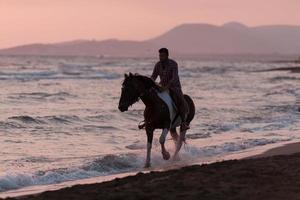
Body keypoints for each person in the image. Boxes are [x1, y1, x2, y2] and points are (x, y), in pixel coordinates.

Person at [151, 48, 189, 131]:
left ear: (167, 56)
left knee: (180, 100)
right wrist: (150, 83)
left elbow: (174, 78)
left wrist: (166, 87)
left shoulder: (173, 64)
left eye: (163, 56)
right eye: (160, 56)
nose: (161, 57)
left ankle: (183, 122)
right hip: (161, 86)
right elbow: (153, 76)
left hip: (174, 87)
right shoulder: (158, 65)